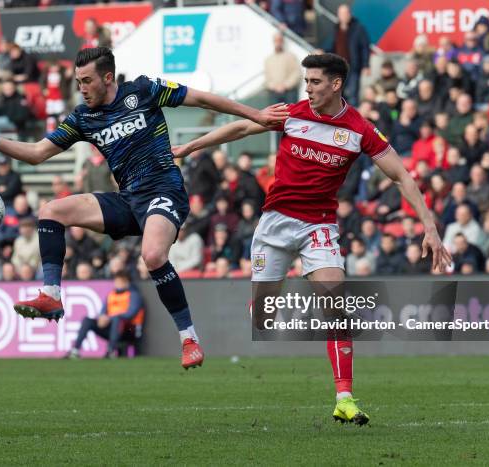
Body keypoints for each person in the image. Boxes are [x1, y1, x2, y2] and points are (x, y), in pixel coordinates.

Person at [0, 47, 287, 369]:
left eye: (87, 81)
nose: (82, 88)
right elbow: (37, 153)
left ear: (107, 77)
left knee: (153, 255)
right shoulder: (82, 118)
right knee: (50, 211)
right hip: (129, 199)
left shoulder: (145, 90)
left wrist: (255, 114)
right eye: (77, 82)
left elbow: (203, 99)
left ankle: (189, 338)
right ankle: (51, 294)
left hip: (165, 192)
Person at [173, 53, 451, 424]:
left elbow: (401, 176)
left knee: (337, 305)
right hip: (274, 225)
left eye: (315, 82)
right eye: (306, 81)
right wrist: (189, 148)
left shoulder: (359, 130)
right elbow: (240, 129)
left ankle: (344, 397)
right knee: (264, 321)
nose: (308, 88)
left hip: (318, 227)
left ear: (336, 84)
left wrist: (430, 228)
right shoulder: (290, 114)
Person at [66, 271, 144, 359]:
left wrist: (109, 318)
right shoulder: (111, 295)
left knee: (117, 319)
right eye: (116, 282)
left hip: (128, 330)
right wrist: (101, 318)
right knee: (87, 320)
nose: (118, 284)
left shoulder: (134, 295)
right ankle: (75, 350)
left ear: (127, 283)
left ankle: (111, 351)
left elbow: (130, 314)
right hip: (112, 328)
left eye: (121, 282)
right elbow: (103, 311)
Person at [326, 4, 370, 106]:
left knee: (353, 96)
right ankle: (341, 119)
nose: (344, 16)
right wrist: (322, 51)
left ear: (350, 14)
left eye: (346, 13)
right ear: (338, 15)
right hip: (338, 69)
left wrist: (366, 65)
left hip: (353, 67)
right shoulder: (336, 28)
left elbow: (365, 48)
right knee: (338, 95)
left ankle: (352, 120)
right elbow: (332, 47)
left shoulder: (358, 28)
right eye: (341, 13)